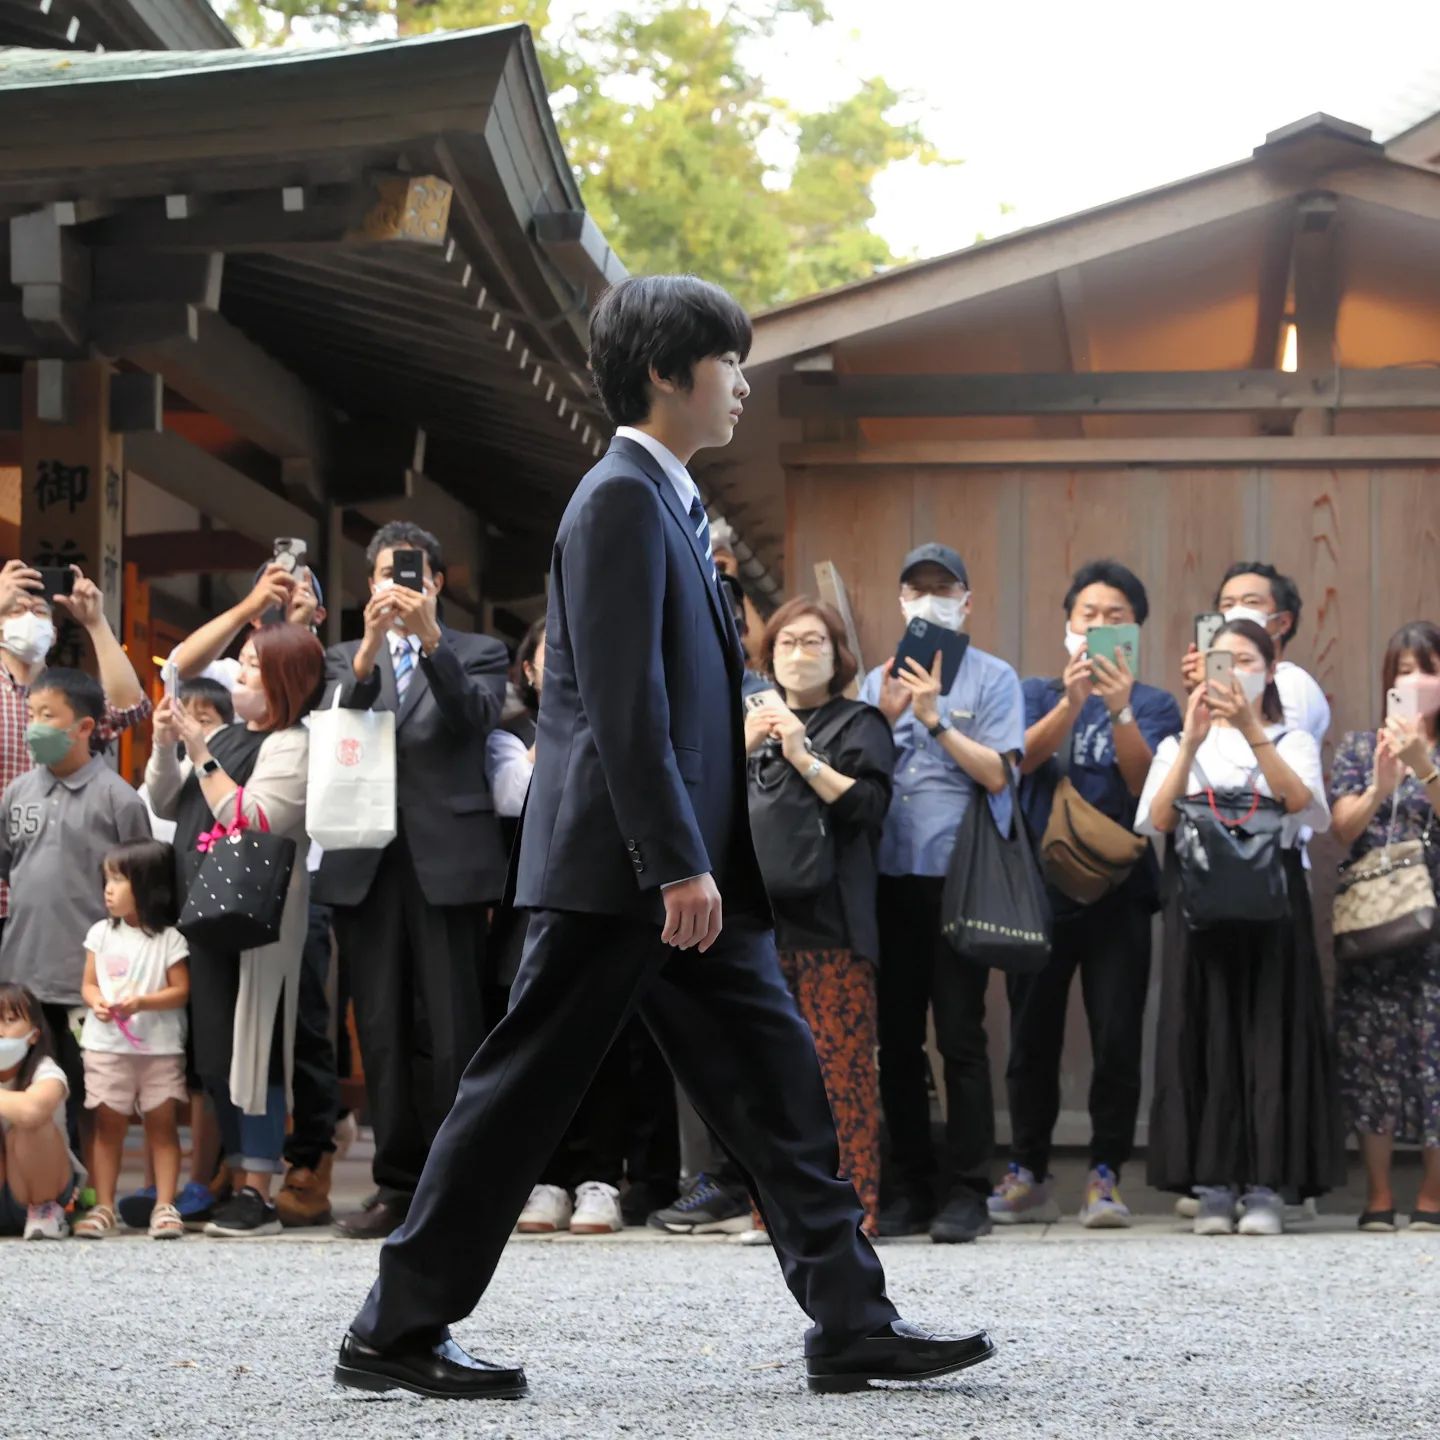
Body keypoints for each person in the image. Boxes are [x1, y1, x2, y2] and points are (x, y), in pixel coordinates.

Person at [335, 274, 992, 1401]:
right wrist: (677, 860)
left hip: (677, 869)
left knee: (780, 1086)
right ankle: (393, 1330)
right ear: (666, 373)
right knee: (519, 1097)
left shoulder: (668, 499)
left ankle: (851, 1320)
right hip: (625, 870)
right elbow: (620, 705)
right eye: (728, 362)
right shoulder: (620, 498)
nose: (741, 382)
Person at [317, 521, 510, 1241]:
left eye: (413, 573)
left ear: (437, 583)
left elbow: (475, 719)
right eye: (385, 575)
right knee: (383, 1029)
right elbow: (336, 729)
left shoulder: (477, 650)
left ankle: (463, 1182)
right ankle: (397, 1185)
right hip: (366, 860)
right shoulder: (342, 656)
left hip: (447, 855)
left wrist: (431, 642)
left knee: (456, 1024)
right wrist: (369, 651)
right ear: (368, 585)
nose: (397, 585)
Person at [1138, 618, 1344, 1235]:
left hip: (1274, 911)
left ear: (1271, 669)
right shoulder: (1179, 743)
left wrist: (1254, 731)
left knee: (1269, 1037)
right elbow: (1154, 821)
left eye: (1247, 659)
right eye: (1220, 659)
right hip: (1197, 912)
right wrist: (1196, 741)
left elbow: (1308, 808)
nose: (1233, 670)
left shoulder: (1291, 737)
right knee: (1203, 1036)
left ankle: (1265, 1189)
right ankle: (1212, 1188)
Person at [1002, 560, 1181, 1228]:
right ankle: (1028, 1169)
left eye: (1115, 618)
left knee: (1116, 1035)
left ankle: (1105, 1175)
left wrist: (1120, 706)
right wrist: (1071, 704)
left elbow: (1145, 787)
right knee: (1030, 1036)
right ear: (1067, 625)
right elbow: (1014, 760)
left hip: (1122, 894)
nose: (1100, 626)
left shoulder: (1156, 704)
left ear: (1134, 631)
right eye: (1089, 616)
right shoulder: (1033, 690)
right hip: (1039, 894)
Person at [490, 620, 681, 1236]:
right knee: (538, 1040)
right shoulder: (512, 736)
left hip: (609, 897)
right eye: (552, 654)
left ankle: (600, 1176)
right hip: (531, 905)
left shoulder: (623, 726)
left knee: (606, 1041)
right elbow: (513, 797)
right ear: (528, 670)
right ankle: (544, 1176)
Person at [857, 542, 1025, 1245]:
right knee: (894, 1041)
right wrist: (887, 717)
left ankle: (967, 1189)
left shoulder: (992, 677)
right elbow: (857, 775)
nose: (930, 599)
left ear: (966, 600)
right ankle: (909, 1185)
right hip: (886, 876)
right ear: (900, 603)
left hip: (958, 878)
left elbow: (998, 774)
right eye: (917, 589)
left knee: (960, 1035)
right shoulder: (874, 681)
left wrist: (933, 718)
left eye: (943, 588)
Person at [170, 565, 342, 1227]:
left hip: (270, 913)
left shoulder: (294, 742)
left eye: (246, 668)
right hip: (217, 908)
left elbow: (254, 817)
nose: (235, 677)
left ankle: (259, 1184)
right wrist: (176, 749)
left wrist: (200, 753)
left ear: (276, 681)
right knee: (221, 1049)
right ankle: (241, 1175)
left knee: (263, 1044)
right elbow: (179, 672)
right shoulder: (230, 733)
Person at [742, 597, 895, 1237]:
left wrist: (803, 755)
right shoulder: (743, 722)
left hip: (834, 925)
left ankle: (855, 1211)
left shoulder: (860, 722)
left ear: (838, 658)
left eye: (814, 643)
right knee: (767, 1076)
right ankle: (772, 1210)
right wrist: (741, 747)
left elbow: (868, 809)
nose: (799, 655)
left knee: (844, 1072)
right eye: (787, 643)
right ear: (768, 656)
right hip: (757, 924)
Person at [0, 667, 152, 1157]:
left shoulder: (118, 799)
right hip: (23, 970)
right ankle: (33, 1190)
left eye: (49, 715)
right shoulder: (16, 794)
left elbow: (142, 886)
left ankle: (89, 1188)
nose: (35, 726)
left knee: (92, 1089)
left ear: (85, 727)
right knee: (25, 1083)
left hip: (90, 981)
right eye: (31, 715)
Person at [1330, 622, 1440, 1232]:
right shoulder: (1356, 746)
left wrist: (1424, 767)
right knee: (1371, 1053)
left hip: (1435, 920)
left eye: (1428, 667)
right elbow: (1342, 828)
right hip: (1372, 921)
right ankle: (1376, 1194)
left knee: (1435, 1055)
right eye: (1403, 670)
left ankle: (1431, 1194)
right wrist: (1381, 784)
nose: (1416, 680)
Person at [0, 561, 151, 947]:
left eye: (39, 612)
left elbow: (129, 706)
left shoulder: (67, 700)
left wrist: (97, 624)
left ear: (52, 634)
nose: (28, 618)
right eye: (15, 611)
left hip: (63, 903)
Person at [73, 840, 190, 1241]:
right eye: (107, 879)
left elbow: (181, 990)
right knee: (108, 1127)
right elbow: (88, 984)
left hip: (159, 1049)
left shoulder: (169, 939)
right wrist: (98, 1002)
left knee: (162, 1126)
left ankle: (164, 1204)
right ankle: (104, 1204)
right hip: (106, 1047)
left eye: (119, 879)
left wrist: (143, 1001)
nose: (109, 888)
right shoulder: (100, 934)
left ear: (148, 885)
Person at [1181, 562, 1329, 751]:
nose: (1236, 611)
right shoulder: (1219, 683)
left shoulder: (1293, 681)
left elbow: (1280, 757)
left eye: (1251, 602)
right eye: (1227, 604)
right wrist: (1201, 694)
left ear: (1283, 622)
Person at [0, 984, 84, 1239]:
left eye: (10, 1020)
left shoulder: (46, 1071)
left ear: (34, 1034)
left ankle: (47, 1213)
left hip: (39, 1192)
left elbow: (31, 1111)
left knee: (32, 1124)